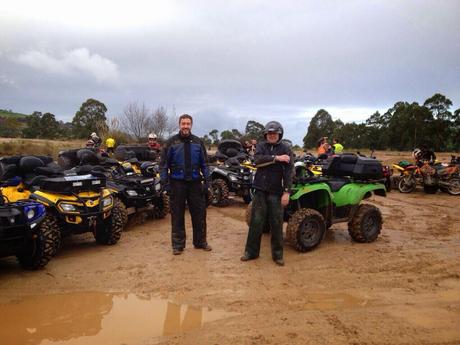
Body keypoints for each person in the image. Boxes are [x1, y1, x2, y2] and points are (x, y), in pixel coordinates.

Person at [241, 121, 293, 266]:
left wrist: (287, 192)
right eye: (269, 133)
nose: (271, 136)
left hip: (277, 192)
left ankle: (278, 255)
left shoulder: (286, 148)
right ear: (265, 134)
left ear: (279, 134)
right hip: (260, 190)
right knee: (256, 222)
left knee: (276, 224)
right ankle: (250, 252)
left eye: (274, 133)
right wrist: (276, 158)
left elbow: (289, 172)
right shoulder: (261, 146)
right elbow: (257, 161)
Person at [160, 114, 212, 255]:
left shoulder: (198, 142)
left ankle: (200, 242)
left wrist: (207, 182)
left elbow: (205, 163)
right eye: (183, 123)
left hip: (195, 183)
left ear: (191, 125)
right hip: (177, 183)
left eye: (188, 124)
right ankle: (178, 245)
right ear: (179, 124)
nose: (185, 126)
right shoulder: (171, 142)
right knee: (177, 215)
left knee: (199, 214)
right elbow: (164, 165)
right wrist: (165, 184)